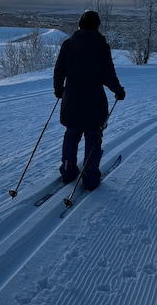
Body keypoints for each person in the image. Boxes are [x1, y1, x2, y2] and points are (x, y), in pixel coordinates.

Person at [53, 10, 125, 191]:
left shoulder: (68, 45)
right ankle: (90, 177)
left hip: (71, 100)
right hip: (94, 102)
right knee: (93, 137)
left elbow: (59, 70)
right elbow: (108, 75)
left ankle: (68, 169)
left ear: (80, 25)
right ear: (97, 26)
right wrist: (118, 91)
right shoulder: (102, 47)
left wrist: (59, 90)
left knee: (71, 135)